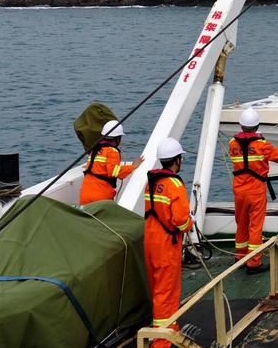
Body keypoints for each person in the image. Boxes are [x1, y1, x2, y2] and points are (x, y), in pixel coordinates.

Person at [230, 107, 278, 274]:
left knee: (241, 223)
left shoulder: (232, 143)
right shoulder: (262, 145)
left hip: (239, 189)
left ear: (241, 125)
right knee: (255, 226)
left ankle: (240, 256)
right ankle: (253, 263)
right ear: (257, 125)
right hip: (255, 189)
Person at [144, 138, 193, 348]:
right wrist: (191, 222)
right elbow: (181, 221)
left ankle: (169, 328)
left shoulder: (151, 182)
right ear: (177, 160)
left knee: (156, 288)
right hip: (166, 245)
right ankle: (162, 342)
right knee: (167, 292)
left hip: (150, 240)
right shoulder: (174, 185)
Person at [79, 120, 144, 205]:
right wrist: (132, 166)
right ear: (117, 138)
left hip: (85, 196)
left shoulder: (95, 149)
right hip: (100, 198)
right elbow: (114, 172)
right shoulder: (112, 151)